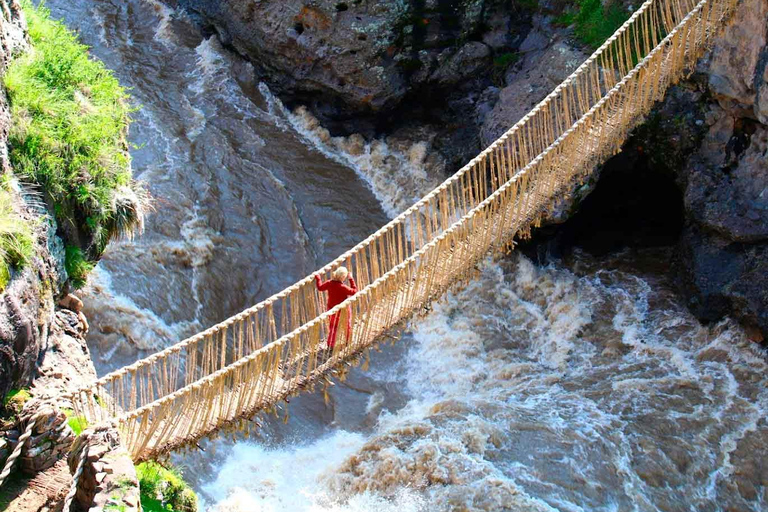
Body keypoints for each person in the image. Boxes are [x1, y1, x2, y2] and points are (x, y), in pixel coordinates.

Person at [314, 266, 357, 349]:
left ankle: (330, 345)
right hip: (343, 310)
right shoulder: (343, 287)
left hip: (332, 310)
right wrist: (351, 279)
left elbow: (320, 288)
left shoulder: (329, 283)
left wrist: (318, 278)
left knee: (333, 327)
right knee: (347, 325)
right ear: (343, 277)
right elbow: (354, 291)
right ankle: (348, 340)